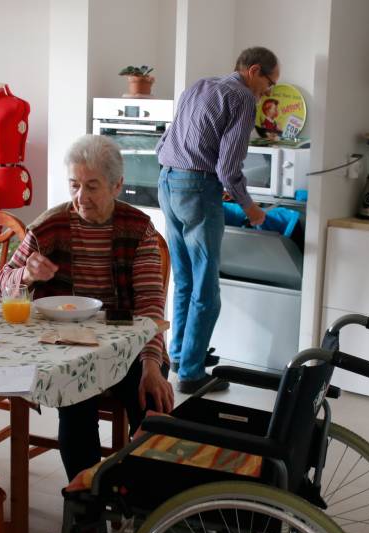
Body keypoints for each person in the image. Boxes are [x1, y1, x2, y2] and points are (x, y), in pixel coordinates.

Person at [0, 134, 174, 533]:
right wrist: (26, 274)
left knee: (152, 406)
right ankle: (88, 519)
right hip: (67, 350)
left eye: (92, 186)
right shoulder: (51, 226)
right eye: (74, 185)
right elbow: (4, 281)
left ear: (117, 186)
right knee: (75, 406)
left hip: (129, 350)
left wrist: (153, 366)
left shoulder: (137, 229)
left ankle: (147, 516)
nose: (81, 197)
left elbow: (151, 308)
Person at [156, 46, 279, 394]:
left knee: (184, 280)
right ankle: (192, 373)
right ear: (254, 71)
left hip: (167, 181)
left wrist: (196, 180)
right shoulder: (243, 98)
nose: (267, 91)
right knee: (207, 288)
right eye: (269, 83)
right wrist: (250, 207)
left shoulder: (200, 85)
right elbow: (228, 168)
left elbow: (166, 141)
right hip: (197, 189)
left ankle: (180, 356)